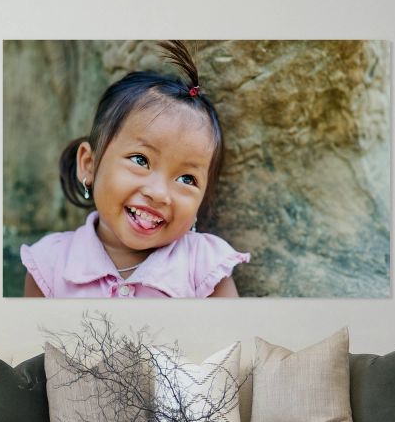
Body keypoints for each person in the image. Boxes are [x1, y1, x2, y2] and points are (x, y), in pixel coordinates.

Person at [21, 41, 249, 298]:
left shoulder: (207, 269)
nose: (159, 193)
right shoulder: (49, 264)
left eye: (187, 178)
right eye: (141, 160)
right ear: (89, 164)